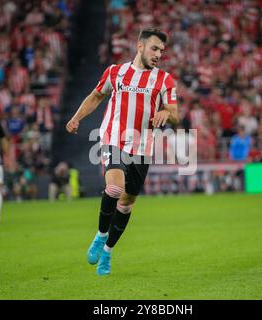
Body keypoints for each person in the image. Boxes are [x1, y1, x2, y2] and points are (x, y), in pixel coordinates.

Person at [66, 28, 178, 276]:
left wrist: (167, 113)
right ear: (140, 46)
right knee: (115, 189)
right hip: (113, 138)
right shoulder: (115, 72)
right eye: (154, 48)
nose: (159, 54)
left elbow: (176, 114)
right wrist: (76, 118)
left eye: (162, 50)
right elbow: (96, 96)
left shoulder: (164, 80)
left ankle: (107, 251)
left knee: (126, 204)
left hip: (142, 147)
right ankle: (100, 234)